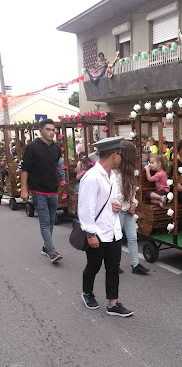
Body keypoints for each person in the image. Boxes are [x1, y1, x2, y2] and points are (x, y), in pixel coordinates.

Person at [78, 136, 134, 317]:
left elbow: (113, 201)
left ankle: (113, 304)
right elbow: (86, 208)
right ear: (114, 155)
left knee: (112, 268)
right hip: (97, 232)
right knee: (93, 266)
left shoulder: (111, 176)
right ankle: (87, 292)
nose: (121, 158)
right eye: (120, 154)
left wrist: (117, 206)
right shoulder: (92, 177)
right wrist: (90, 234)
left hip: (113, 230)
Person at [20, 118, 63, 263]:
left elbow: (56, 167)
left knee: (51, 222)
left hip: (53, 190)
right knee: (44, 222)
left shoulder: (57, 148)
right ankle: (52, 252)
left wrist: (62, 181)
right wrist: (24, 189)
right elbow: (25, 169)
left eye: (53, 130)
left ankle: (46, 247)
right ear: (41, 130)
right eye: (48, 129)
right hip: (38, 191)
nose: (52, 132)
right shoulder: (32, 147)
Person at [115, 140, 150, 276]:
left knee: (132, 237)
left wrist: (133, 203)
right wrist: (129, 204)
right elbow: (116, 193)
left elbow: (132, 190)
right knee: (117, 239)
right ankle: (114, 264)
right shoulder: (115, 171)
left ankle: (135, 264)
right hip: (118, 210)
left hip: (127, 208)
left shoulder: (128, 172)